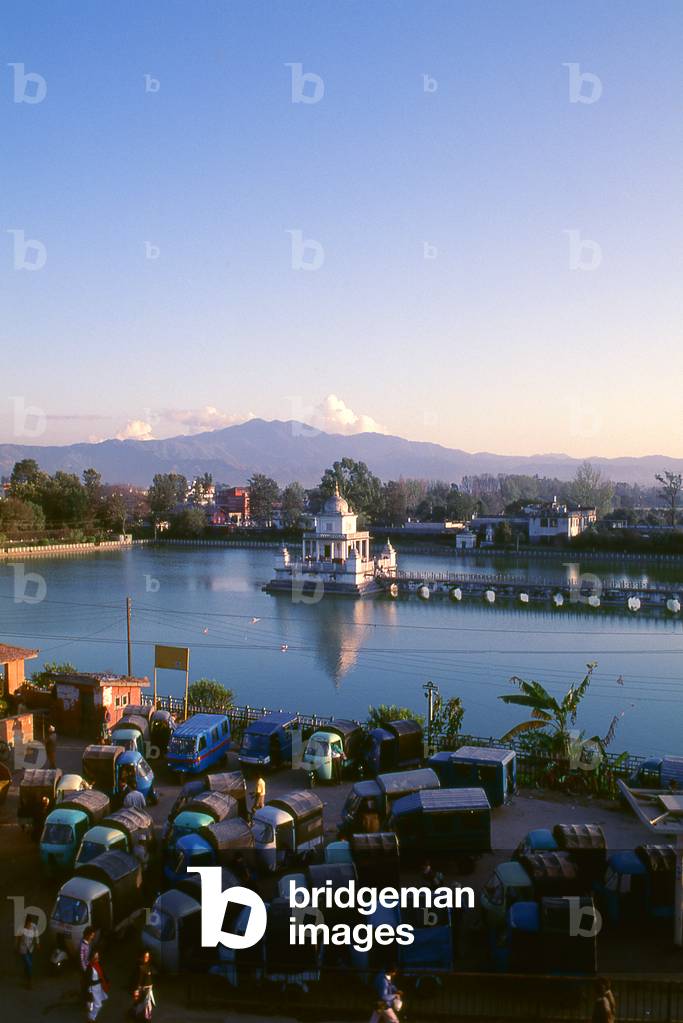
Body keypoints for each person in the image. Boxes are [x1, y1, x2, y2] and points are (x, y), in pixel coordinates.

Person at [16, 914, 40, 989]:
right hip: (23, 948)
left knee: (29, 965)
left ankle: (26, 978)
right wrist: (15, 946)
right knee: (29, 964)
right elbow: (17, 937)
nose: (28, 924)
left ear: (31, 921)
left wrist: (38, 943)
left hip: (31, 948)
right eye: (27, 923)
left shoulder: (34, 926)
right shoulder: (21, 927)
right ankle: (30, 982)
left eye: (29, 922)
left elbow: (37, 935)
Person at [85, 950, 109, 1021]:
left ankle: (92, 1018)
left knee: (96, 1004)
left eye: (98, 957)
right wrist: (99, 981)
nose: (97, 959)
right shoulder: (89, 968)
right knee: (98, 1005)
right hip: (93, 989)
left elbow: (102, 973)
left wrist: (106, 980)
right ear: (92, 958)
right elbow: (88, 982)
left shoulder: (98, 964)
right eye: (95, 958)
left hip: (99, 988)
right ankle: (91, 1017)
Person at [131, 950, 156, 1019]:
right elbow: (137, 977)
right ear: (142, 957)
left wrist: (150, 972)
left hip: (148, 988)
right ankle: (138, 1014)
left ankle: (147, 1016)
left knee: (147, 1003)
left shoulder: (149, 965)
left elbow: (153, 973)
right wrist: (137, 987)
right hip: (141, 987)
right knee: (139, 1002)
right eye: (145, 956)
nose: (146, 958)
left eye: (148, 957)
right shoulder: (139, 966)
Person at [78, 927, 95, 999]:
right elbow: (82, 959)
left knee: (87, 984)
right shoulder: (82, 945)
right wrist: (85, 970)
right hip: (84, 969)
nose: (93, 937)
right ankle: (84, 998)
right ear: (88, 935)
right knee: (85, 984)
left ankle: (85, 996)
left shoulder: (88, 942)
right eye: (92, 935)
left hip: (88, 966)